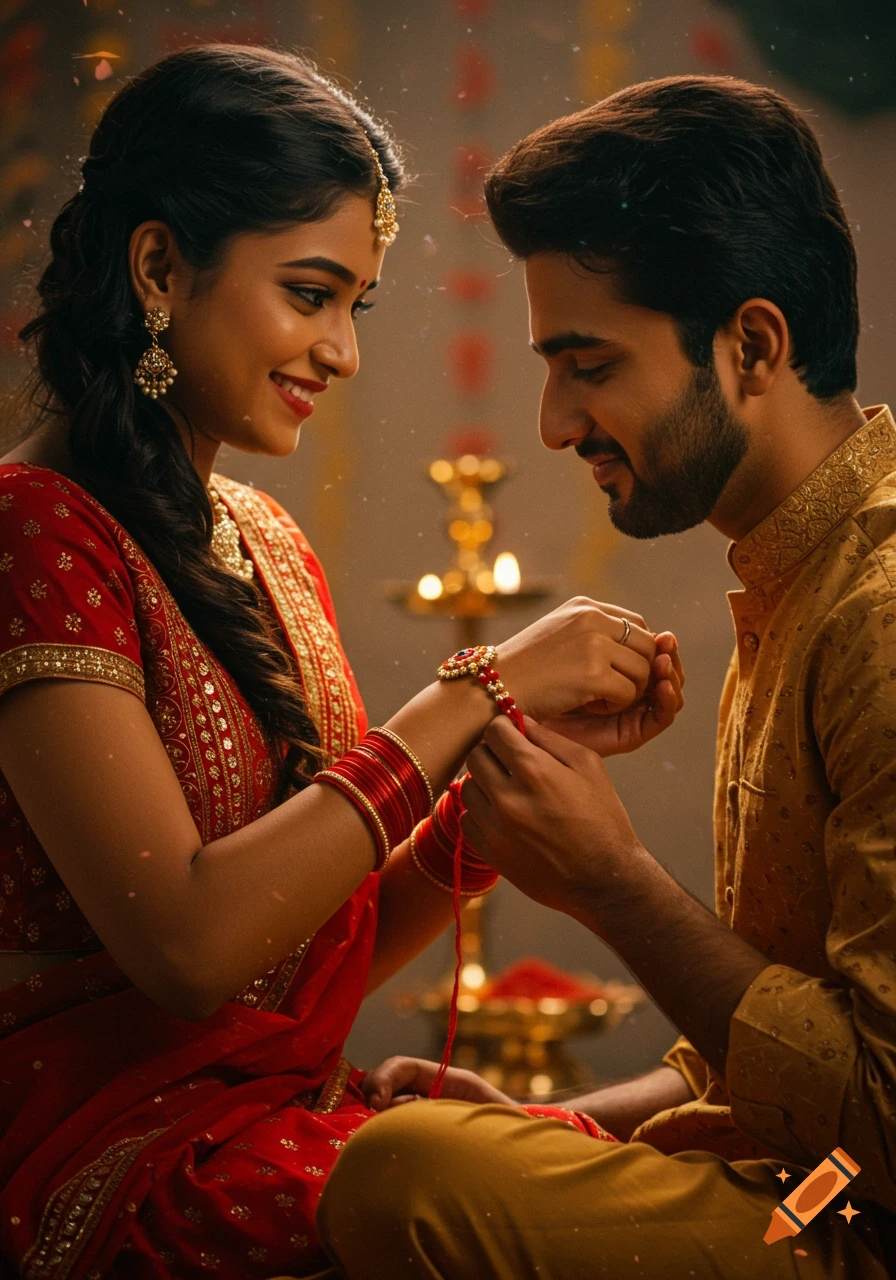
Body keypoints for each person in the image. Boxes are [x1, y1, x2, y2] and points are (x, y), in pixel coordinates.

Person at [0, 44, 686, 1280]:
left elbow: (310, 952)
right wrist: (474, 692)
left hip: (274, 1120)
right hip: (110, 1159)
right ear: (158, 267)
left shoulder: (262, 540)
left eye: (351, 307)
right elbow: (192, 950)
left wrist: (493, 783)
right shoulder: (34, 530)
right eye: (308, 294)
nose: (339, 350)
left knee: (611, 1169)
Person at [317, 76, 896, 1279]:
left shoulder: (878, 611)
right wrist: (561, 1129)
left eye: (586, 364)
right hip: (815, 1196)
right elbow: (778, 1050)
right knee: (428, 1148)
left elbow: (880, 1126)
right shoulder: (796, 575)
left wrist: (612, 882)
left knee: (399, 1173)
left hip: (853, 1223)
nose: (551, 421)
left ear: (750, 346)